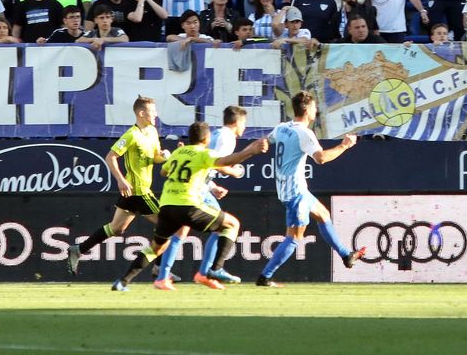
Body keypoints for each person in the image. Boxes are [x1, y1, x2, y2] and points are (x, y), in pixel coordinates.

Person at [111, 121, 266, 291]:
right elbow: (225, 161)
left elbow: (163, 171)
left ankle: (122, 282)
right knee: (232, 224)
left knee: (156, 248)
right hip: (188, 205)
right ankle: (216, 269)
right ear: (206, 139)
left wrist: (182, 157)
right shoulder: (204, 153)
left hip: (167, 205)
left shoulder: (179, 152)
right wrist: (250, 151)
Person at [257, 91, 365, 287]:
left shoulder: (282, 127)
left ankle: (346, 255)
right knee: (294, 238)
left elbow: (265, 141)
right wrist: (344, 146)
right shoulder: (304, 133)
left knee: (323, 215)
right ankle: (265, 277)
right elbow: (320, 158)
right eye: (314, 107)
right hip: (294, 193)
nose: (317, 110)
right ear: (307, 109)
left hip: (295, 190)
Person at [67, 96, 171, 276]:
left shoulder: (152, 131)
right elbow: (110, 157)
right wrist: (120, 179)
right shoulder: (131, 135)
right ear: (141, 113)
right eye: (152, 111)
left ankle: (78, 249)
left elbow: (154, 157)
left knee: (116, 228)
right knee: (167, 225)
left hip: (131, 193)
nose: (156, 114)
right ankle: (160, 268)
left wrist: (162, 157)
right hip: (139, 192)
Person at [152, 106, 251, 288]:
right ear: (237, 122)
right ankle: (207, 271)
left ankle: (162, 274)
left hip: (195, 188)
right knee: (224, 227)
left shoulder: (219, 135)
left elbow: (201, 166)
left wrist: (213, 187)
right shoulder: (226, 138)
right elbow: (215, 163)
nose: (245, 127)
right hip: (197, 191)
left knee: (180, 232)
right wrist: (234, 172)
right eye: (244, 122)